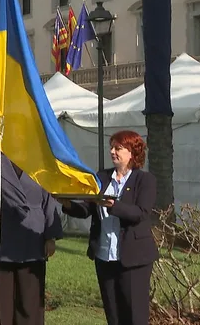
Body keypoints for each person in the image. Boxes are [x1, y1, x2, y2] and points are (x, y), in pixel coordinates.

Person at [57, 130, 157, 325]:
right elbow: (87, 209)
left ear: (132, 152)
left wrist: (114, 206)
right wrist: (67, 204)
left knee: (134, 314)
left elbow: (141, 213)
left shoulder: (145, 180)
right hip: (105, 257)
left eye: (118, 148)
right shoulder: (101, 177)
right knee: (113, 313)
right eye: (111, 147)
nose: (112, 152)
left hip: (133, 258)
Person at [0, 152, 63, 325]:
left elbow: (49, 200)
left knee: (30, 303)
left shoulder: (40, 161)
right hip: (1, 239)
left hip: (32, 237)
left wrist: (50, 236)